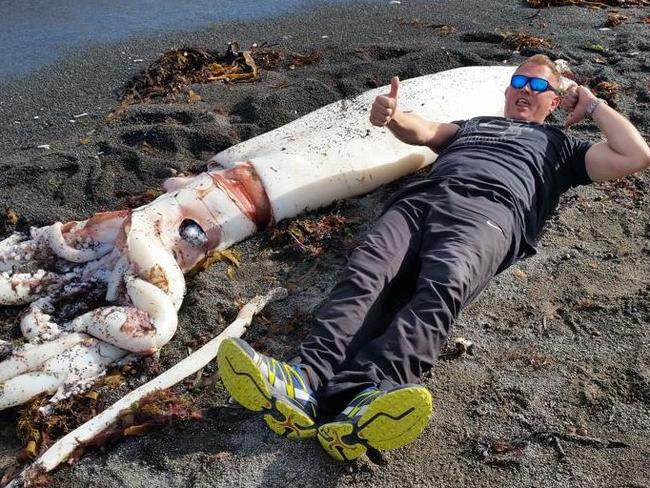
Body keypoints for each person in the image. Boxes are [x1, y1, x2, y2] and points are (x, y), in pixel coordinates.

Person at [217, 55, 650, 462]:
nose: (525, 88)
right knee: (367, 272)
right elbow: (423, 132)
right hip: (421, 200)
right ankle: (305, 380)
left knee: (442, 286)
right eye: (518, 80)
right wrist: (391, 116)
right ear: (506, 90)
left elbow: (635, 155)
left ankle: (371, 393)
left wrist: (593, 105)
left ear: (554, 101)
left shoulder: (562, 147)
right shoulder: (474, 125)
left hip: (491, 212)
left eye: (538, 85)